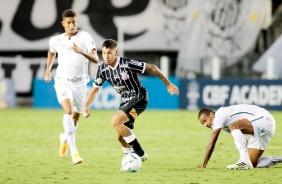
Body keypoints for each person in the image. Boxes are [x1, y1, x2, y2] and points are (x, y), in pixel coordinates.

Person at [83, 39, 179, 163]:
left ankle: (141, 154)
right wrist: (85, 106)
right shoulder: (102, 70)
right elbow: (94, 90)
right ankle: (130, 160)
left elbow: (153, 67)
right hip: (125, 101)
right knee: (120, 136)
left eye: (109, 53)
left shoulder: (127, 64)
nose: (106, 56)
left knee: (115, 121)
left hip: (139, 97)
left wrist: (168, 84)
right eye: (104, 53)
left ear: (116, 52)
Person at [44, 9, 99, 165]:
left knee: (74, 119)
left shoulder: (85, 37)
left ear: (77, 22)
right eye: (68, 22)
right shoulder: (56, 40)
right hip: (62, 80)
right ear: (63, 24)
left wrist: (81, 51)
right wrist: (48, 70)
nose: (72, 25)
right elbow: (51, 52)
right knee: (67, 110)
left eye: (74, 21)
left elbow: (95, 58)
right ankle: (74, 152)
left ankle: (64, 138)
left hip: (80, 83)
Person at [197, 104, 282, 170]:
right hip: (264, 127)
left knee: (234, 126)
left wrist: (204, 164)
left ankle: (244, 160)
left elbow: (212, 142)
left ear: (211, 114)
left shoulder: (219, 115)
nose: (206, 124)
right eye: (203, 124)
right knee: (253, 162)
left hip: (263, 119)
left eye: (205, 120)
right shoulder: (225, 124)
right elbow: (242, 139)